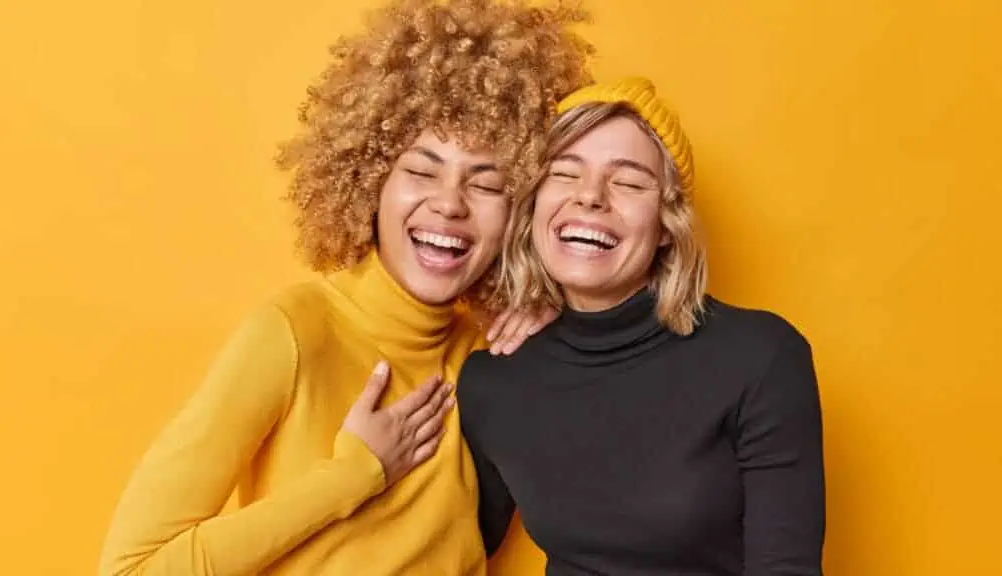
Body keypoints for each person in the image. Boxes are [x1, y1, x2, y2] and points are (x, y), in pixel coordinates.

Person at [97, 1, 593, 574]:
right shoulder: (293, 333)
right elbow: (132, 567)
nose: (451, 203)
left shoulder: (489, 357)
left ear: (519, 213)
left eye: (486, 184)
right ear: (370, 180)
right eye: (422, 171)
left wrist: (559, 332)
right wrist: (353, 476)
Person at [458, 77, 826, 575]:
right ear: (532, 210)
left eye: (629, 182)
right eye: (564, 174)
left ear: (667, 227)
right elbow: (448, 548)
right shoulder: (493, 379)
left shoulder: (759, 356)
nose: (591, 197)